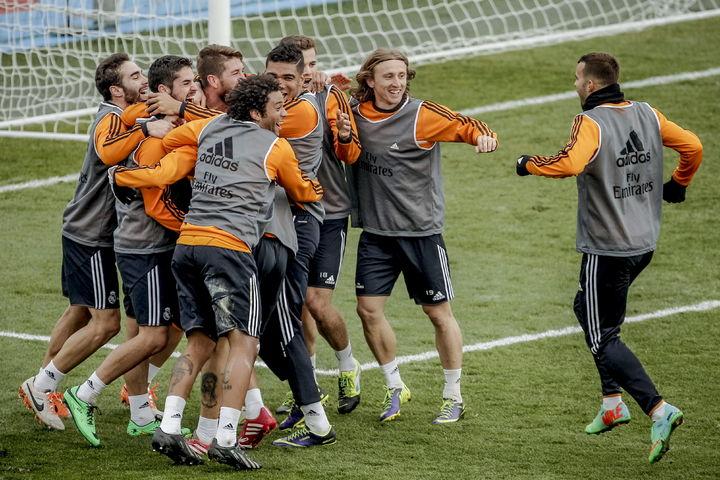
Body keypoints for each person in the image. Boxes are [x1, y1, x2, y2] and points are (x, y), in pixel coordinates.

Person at [515, 52, 702, 463]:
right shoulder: (648, 113)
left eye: (576, 78)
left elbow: (570, 163)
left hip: (607, 248)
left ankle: (658, 409)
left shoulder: (590, 121)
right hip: (644, 244)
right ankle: (611, 403)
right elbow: (693, 146)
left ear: (590, 85)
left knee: (603, 336)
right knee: (584, 307)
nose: (574, 85)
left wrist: (528, 164)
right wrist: (679, 183)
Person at [146, 74, 323, 469]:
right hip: (229, 250)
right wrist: (315, 187)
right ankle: (226, 438)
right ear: (257, 112)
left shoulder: (209, 126)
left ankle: (170, 426)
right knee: (245, 343)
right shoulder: (276, 146)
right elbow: (301, 191)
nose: (283, 114)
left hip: (187, 245)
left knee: (199, 343)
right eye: (277, 107)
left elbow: (172, 141)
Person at [19, 53, 172, 431]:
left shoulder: (126, 115)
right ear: (116, 90)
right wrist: (147, 131)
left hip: (92, 233)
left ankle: (44, 386)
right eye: (135, 76)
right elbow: (108, 152)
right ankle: (42, 385)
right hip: (91, 235)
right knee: (105, 324)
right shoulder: (110, 119)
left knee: (80, 312)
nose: (144, 79)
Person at [349, 49, 498, 424]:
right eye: (388, 76)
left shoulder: (422, 115)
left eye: (402, 76)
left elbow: (469, 125)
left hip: (421, 234)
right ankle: (394, 385)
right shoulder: (355, 113)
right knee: (367, 310)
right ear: (370, 80)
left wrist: (484, 137)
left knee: (438, 314)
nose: (397, 83)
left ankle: (453, 396)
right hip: (376, 234)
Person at [62, 55, 198, 447]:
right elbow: (158, 202)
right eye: (186, 84)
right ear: (165, 91)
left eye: (195, 82)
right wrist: (195, 229)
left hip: (143, 245)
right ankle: (81, 392)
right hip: (146, 248)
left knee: (145, 330)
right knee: (152, 336)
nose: (192, 90)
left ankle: (139, 412)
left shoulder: (155, 124)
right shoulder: (152, 137)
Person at [278, 35, 363, 415]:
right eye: (304, 66)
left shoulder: (330, 95)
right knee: (296, 304)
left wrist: (343, 136)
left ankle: (347, 364)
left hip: (329, 211)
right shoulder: (273, 97)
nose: (310, 72)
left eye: (313, 64)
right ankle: (307, 384)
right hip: (288, 212)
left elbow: (352, 153)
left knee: (316, 300)